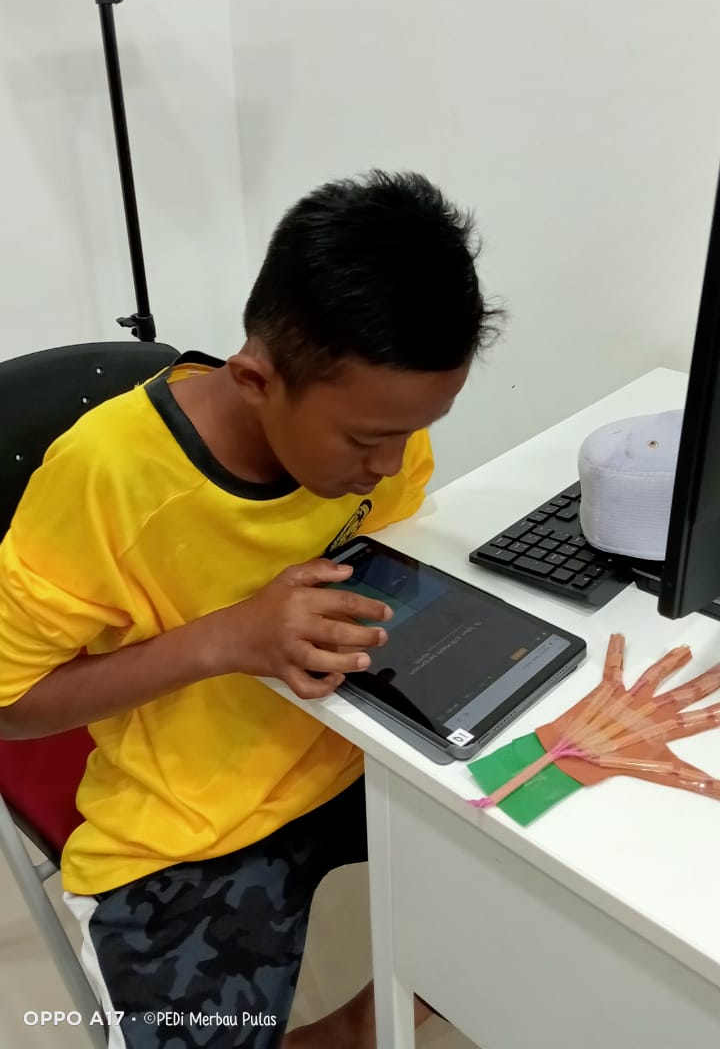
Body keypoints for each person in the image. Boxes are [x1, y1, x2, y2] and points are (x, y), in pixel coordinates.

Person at [0, 170, 504, 1048]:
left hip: (362, 749)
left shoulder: (379, 428)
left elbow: (390, 548)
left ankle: (368, 1019)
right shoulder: (108, 480)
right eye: (366, 440)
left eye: (413, 429)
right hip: (196, 814)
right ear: (256, 380)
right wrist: (226, 640)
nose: (392, 464)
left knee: (572, 869)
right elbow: (8, 707)